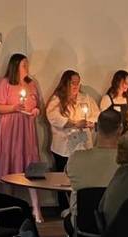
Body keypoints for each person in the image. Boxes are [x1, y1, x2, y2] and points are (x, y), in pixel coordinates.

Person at [0, 54, 44, 222]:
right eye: (23, 65)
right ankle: (10, 207)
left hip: (27, 128)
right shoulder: (3, 83)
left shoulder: (31, 84)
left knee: (30, 163)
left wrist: (35, 110)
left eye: (27, 64)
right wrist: (14, 107)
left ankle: (36, 208)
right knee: (10, 162)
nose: (27, 68)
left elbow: (36, 105)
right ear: (15, 66)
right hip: (10, 127)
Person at [46, 70, 98, 210]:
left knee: (82, 177)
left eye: (78, 83)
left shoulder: (85, 98)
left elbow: (96, 114)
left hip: (81, 145)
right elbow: (54, 118)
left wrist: (90, 122)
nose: (76, 86)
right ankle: (65, 208)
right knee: (63, 178)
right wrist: (74, 123)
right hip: (63, 145)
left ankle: (80, 207)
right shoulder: (57, 99)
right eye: (72, 83)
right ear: (66, 83)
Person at [66, 108, 121, 220]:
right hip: (116, 223)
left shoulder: (76, 158)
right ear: (120, 129)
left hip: (83, 222)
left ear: (96, 127)